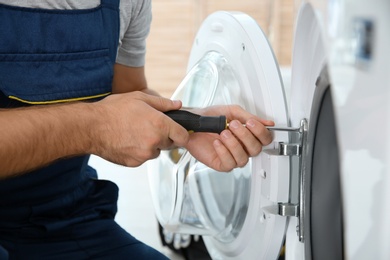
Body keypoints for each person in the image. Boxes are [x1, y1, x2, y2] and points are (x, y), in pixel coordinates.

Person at [0, 0, 274, 259]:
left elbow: (129, 91)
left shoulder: (129, 3)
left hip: (64, 215)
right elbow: (102, 120)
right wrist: (94, 127)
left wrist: (190, 123)